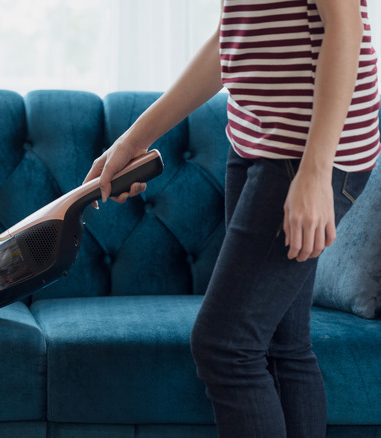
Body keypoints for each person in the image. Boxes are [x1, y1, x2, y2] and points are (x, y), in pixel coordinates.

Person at [83, 1, 379, 437]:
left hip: (304, 154)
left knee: (225, 347)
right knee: (283, 345)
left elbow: (344, 24)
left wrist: (316, 171)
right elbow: (234, 34)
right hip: (255, 142)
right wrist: (133, 139)